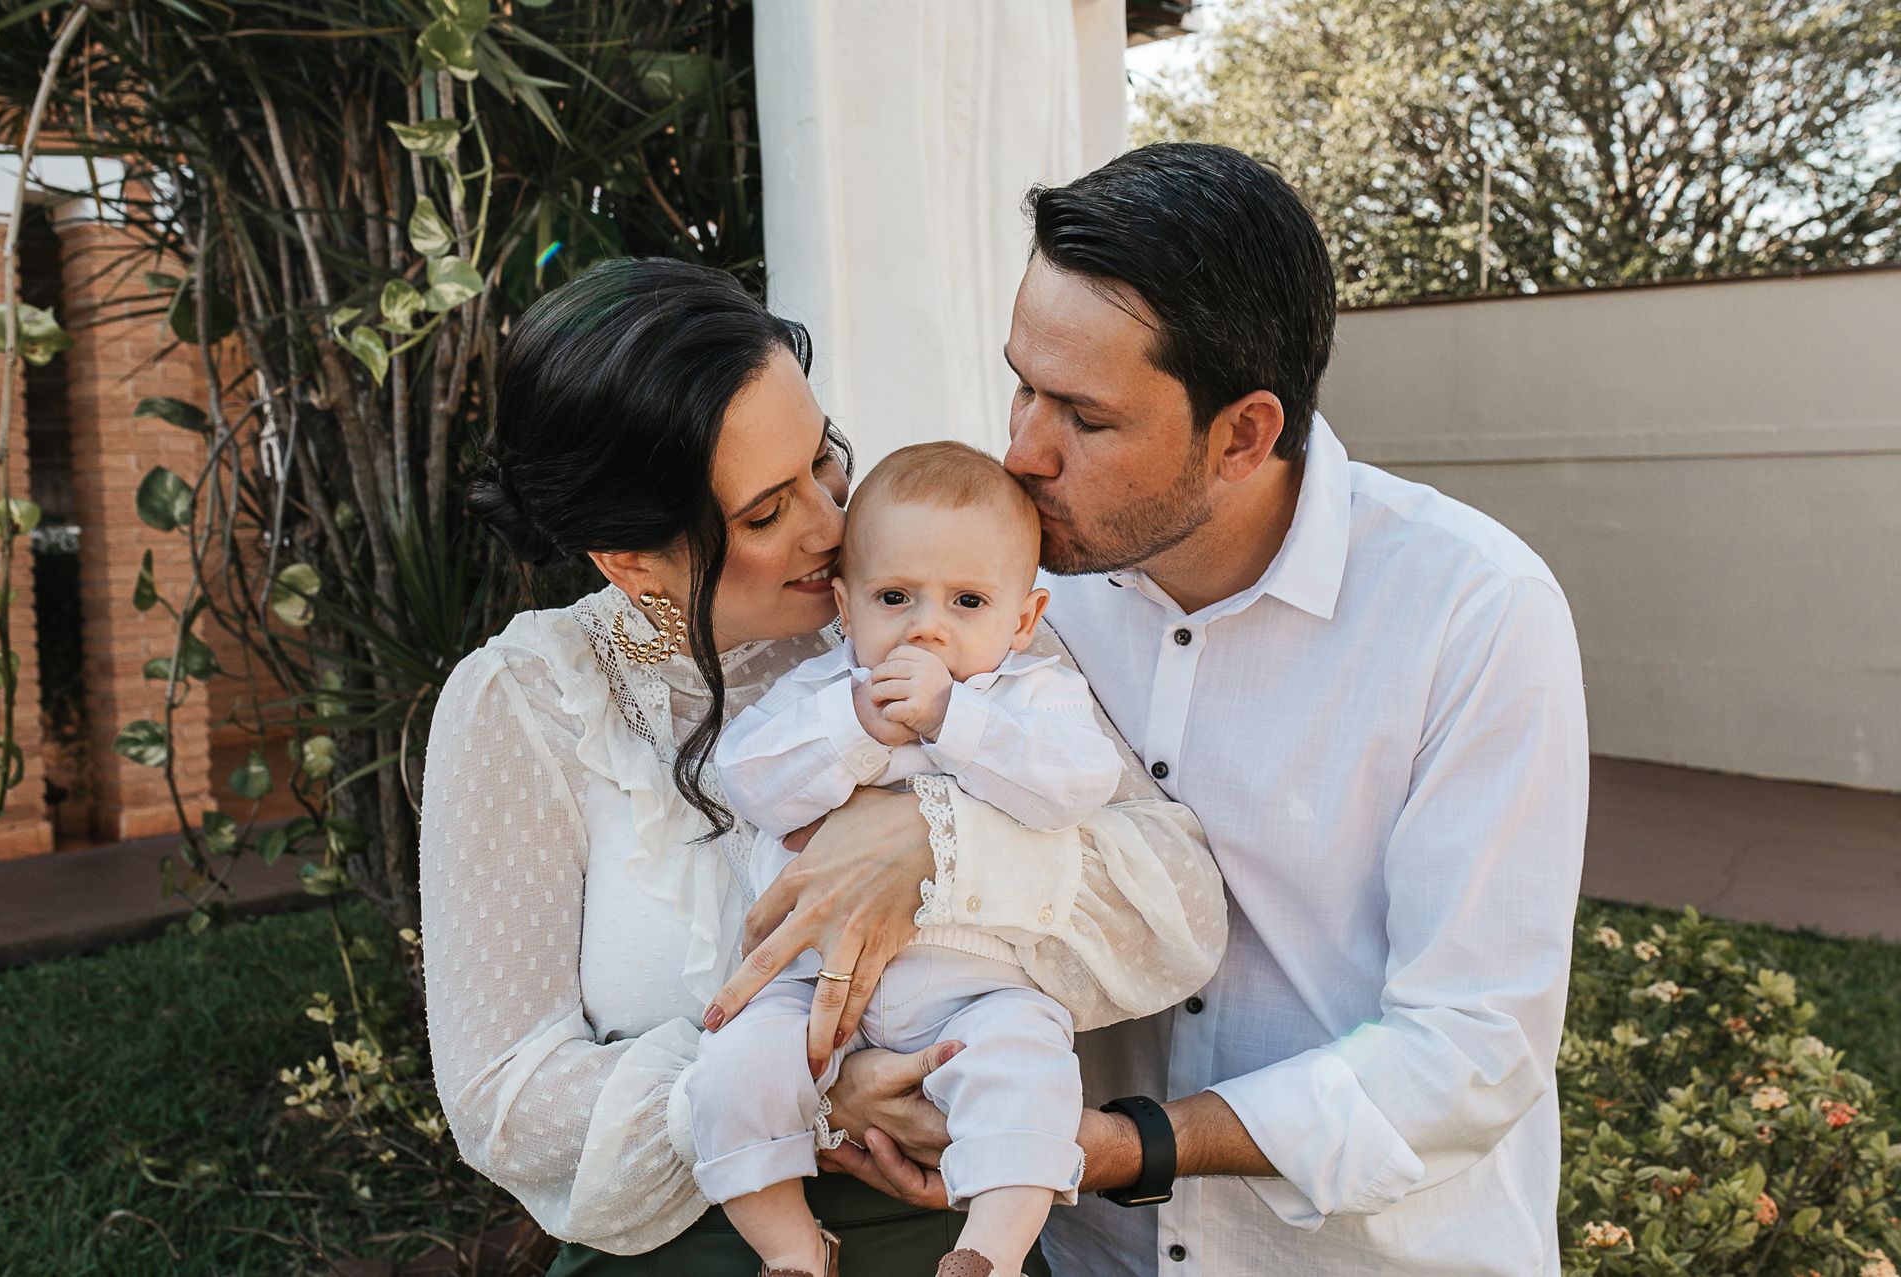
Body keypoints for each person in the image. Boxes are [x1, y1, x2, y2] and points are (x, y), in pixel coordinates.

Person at [730, 143, 1588, 1275]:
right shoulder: (1004, 578)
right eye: (1020, 383)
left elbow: (1470, 1048)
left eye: (1082, 416)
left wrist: (1129, 1144)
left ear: (1243, 434)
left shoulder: (1473, 612)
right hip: (1074, 1255)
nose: (1021, 449)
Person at [419, 257, 1227, 1275]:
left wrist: (931, 845)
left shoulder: (929, 605)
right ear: (630, 561)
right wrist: (811, 1089)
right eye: (766, 512)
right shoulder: (528, 702)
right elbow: (504, 1096)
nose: (831, 523)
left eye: (825, 457)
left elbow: (1179, 904)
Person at [691, 442, 1218, 1277]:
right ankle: (791, 1248)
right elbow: (749, 779)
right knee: (732, 1070)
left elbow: (1075, 786)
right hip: (813, 990)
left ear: (1021, 617)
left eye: (967, 600)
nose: (927, 626)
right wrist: (854, 727)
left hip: (979, 987)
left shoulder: (1031, 694)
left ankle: (989, 1253)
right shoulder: (826, 692)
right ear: (844, 604)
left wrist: (955, 724)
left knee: (1028, 1070)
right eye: (894, 596)